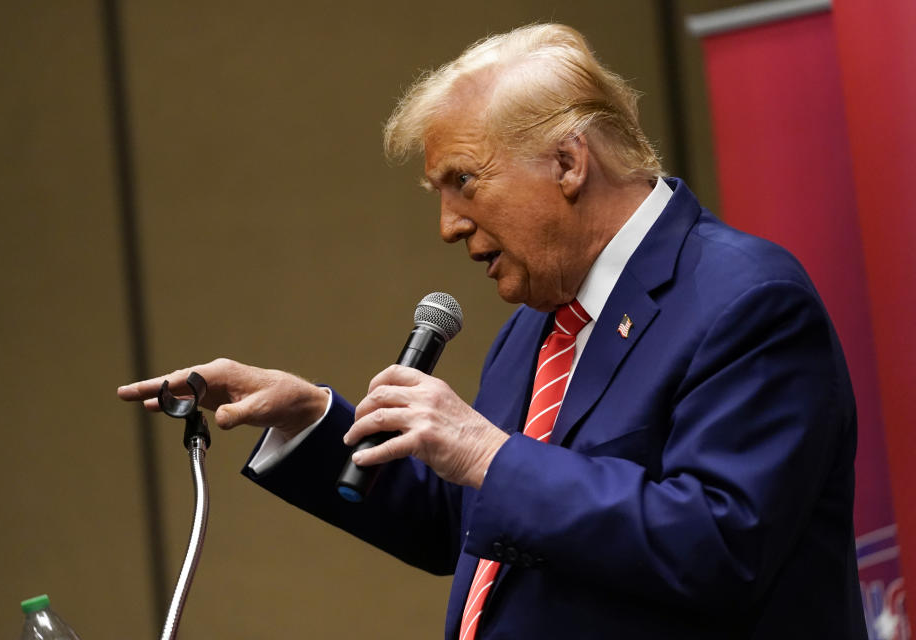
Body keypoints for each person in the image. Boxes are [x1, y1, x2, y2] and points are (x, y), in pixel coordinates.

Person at [119, 24, 866, 639]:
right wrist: (313, 420)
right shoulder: (539, 323)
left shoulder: (748, 300)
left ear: (569, 163)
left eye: (465, 183)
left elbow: (719, 545)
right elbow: (470, 521)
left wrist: (484, 450)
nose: (448, 226)